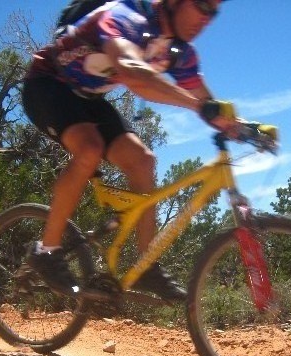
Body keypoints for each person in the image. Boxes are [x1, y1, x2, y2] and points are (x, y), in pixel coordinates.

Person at [22, 0, 254, 301]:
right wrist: (199, 106)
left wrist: (246, 128)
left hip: (88, 98)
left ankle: (146, 265)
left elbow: (209, 103)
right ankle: (46, 251)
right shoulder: (127, 17)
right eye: (202, 5)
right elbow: (133, 74)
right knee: (89, 149)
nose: (206, 18)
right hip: (47, 84)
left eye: (214, 11)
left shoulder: (179, 52)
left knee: (143, 161)